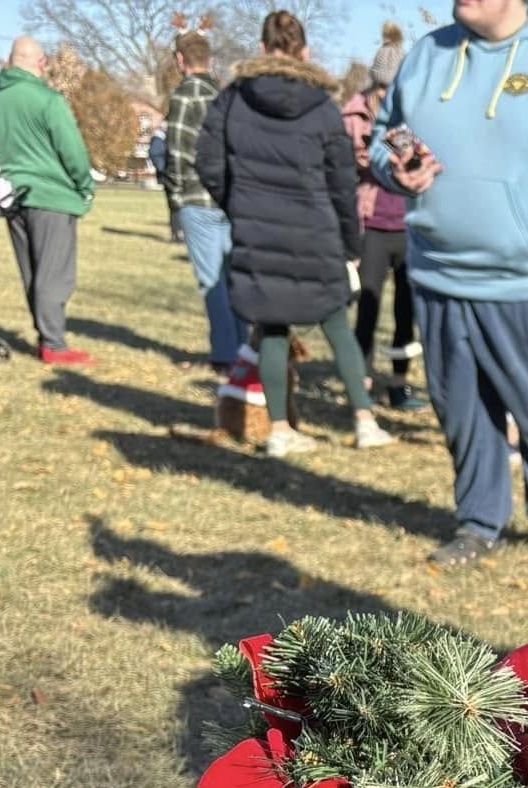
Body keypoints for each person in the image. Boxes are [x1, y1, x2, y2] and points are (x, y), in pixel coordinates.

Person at [370, 0, 528, 568]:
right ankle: (477, 523)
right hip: (438, 273)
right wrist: (397, 165)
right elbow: (388, 132)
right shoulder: (427, 54)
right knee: (460, 409)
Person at [195, 10, 392, 456]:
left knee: (272, 324)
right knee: (337, 323)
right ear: (305, 51)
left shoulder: (232, 99)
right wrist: (350, 242)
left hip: (257, 230)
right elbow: (342, 181)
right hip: (317, 229)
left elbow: (206, 158)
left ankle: (280, 430)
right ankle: (364, 421)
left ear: (263, 49)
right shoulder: (322, 107)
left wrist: (237, 203)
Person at [0, 39, 97, 366]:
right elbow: (71, 148)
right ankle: (54, 344)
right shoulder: (48, 100)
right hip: (51, 194)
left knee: (31, 269)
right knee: (54, 273)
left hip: (12, 192)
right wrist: (84, 185)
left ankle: (45, 334)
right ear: (42, 62)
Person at [343, 72, 426, 411]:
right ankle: (360, 382)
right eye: (380, 89)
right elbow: (346, 165)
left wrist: (387, 146)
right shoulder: (352, 117)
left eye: (391, 90)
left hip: (406, 227)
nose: (384, 95)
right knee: (367, 307)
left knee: (406, 311)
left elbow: (413, 160)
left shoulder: (408, 120)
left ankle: (399, 384)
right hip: (373, 226)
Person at [164, 29, 241, 372]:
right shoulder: (224, 95)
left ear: (180, 60)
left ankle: (225, 354)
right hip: (229, 199)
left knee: (211, 281)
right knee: (232, 279)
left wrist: (176, 197)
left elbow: (177, 150)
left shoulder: (185, 94)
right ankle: (243, 347)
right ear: (209, 60)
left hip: (198, 198)